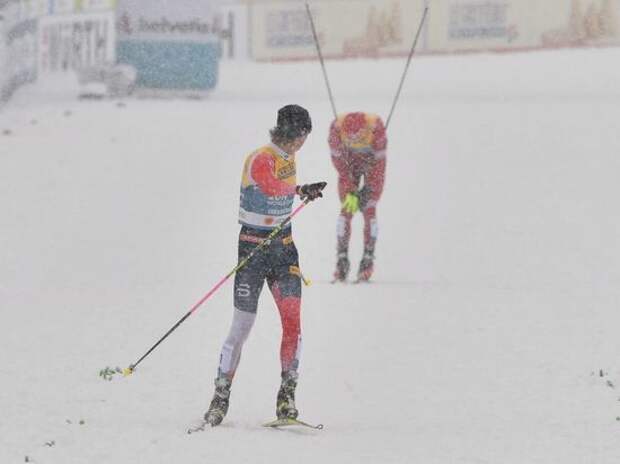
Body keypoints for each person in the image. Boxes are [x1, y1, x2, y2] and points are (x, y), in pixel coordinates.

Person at [204, 104, 326, 426]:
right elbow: (269, 185)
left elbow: (280, 190)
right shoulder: (261, 157)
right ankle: (220, 398)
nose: (303, 142)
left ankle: (287, 398)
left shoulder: (289, 157)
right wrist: (299, 190)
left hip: (283, 250)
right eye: (302, 135)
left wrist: (301, 192)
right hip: (253, 250)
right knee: (242, 326)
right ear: (292, 133)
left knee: (292, 322)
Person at [329, 111, 387, 282]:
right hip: (349, 166)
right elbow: (340, 165)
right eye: (351, 140)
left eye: (360, 139)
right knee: (348, 207)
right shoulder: (336, 129)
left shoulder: (376, 128)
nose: (355, 142)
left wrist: (369, 189)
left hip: (372, 165)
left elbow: (379, 165)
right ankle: (341, 258)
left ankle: (368, 258)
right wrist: (351, 189)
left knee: (369, 209)